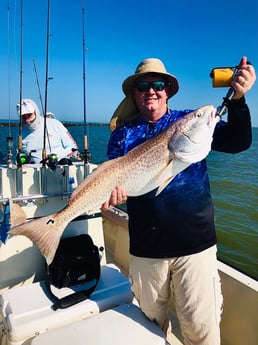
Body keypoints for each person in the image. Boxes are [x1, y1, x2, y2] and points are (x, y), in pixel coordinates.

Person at [103, 57, 256, 345]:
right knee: (148, 329)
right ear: (133, 94)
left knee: (202, 332)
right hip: (146, 250)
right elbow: (115, 180)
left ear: (168, 91)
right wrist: (113, 195)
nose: (151, 91)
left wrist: (238, 99)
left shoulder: (189, 122)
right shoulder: (122, 136)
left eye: (158, 85)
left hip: (195, 247)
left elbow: (238, 141)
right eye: (143, 86)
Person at [16, 99, 79, 164]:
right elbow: (20, 156)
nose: (27, 120)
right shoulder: (20, 133)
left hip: (60, 167)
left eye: (29, 115)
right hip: (34, 170)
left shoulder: (55, 124)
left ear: (36, 111)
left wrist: (56, 158)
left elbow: (73, 148)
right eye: (23, 117)